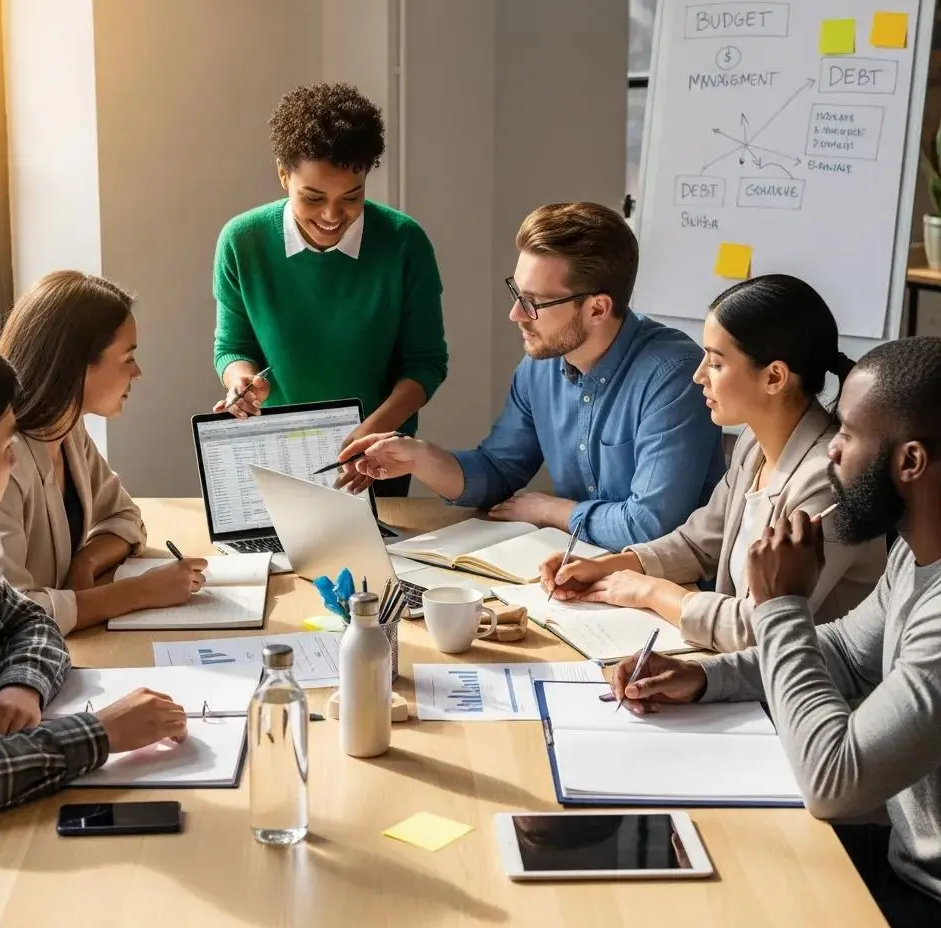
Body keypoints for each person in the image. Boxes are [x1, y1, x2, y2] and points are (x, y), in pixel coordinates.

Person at [609, 336, 941, 927]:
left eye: (846, 434)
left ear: (909, 462)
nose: (832, 451)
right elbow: (840, 653)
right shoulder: (912, 555)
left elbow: (834, 782)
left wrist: (781, 604)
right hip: (902, 861)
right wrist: (704, 677)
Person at [0, 337, 190, 902]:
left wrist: (21, 684)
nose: (15, 460)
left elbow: (28, 624)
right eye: (4, 445)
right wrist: (100, 733)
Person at [337, 201, 724, 550]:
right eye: (517, 293)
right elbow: (499, 470)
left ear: (597, 308)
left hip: (670, 589)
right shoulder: (539, 368)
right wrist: (418, 458)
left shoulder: (674, 377)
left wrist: (551, 511)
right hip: (584, 572)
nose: (516, 315)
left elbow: (650, 527)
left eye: (534, 302)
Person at [540, 275, 886, 651]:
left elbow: (760, 627)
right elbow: (698, 543)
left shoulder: (828, 482)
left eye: (716, 363)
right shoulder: (754, 444)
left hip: (805, 695)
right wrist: (610, 567)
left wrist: (651, 591)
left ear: (774, 377)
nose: (698, 375)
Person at [211, 81, 448, 497]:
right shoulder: (241, 240)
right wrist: (242, 383)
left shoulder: (403, 242)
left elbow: (425, 364)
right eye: (313, 198)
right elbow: (232, 347)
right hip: (275, 453)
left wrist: (371, 433)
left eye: (351, 197)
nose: (332, 215)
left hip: (374, 460)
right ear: (283, 175)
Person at [0, 272, 207, 635]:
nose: (137, 372)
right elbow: (6, 612)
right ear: (75, 366)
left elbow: (125, 516)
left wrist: (85, 562)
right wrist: (140, 592)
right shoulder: (0, 461)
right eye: (127, 358)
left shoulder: (68, 429)